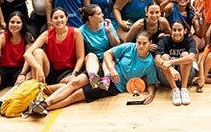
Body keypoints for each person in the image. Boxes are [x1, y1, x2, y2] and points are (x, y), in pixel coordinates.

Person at [26, 34, 159, 114]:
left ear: (150, 44)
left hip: (114, 86)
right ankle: (44, 103)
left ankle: (43, 108)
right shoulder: (129, 47)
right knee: (74, 83)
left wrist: (151, 94)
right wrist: (111, 70)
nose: (141, 46)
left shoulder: (149, 63)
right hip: (104, 71)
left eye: (144, 43)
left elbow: (151, 83)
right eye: (139, 43)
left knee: (75, 96)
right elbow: (108, 54)